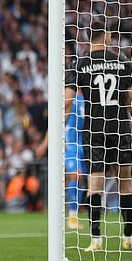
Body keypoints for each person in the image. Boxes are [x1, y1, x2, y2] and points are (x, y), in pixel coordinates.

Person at [64, 20, 132, 252]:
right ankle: (128, 237)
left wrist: (60, 129)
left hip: (95, 131)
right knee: (125, 185)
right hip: (119, 129)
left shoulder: (78, 64)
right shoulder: (122, 63)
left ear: (90, 38)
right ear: (107, 36)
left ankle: (96, 240)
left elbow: (67, 101)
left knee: (94, 186)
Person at [37, 92, 87, 230]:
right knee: (75, 176)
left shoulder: (90, 95)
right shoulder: (69, 99)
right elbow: (56, 122)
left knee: (83, 180)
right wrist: (44, 144)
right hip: (71, 144)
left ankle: (77, 214)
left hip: (88, 144)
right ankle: (72, 217)